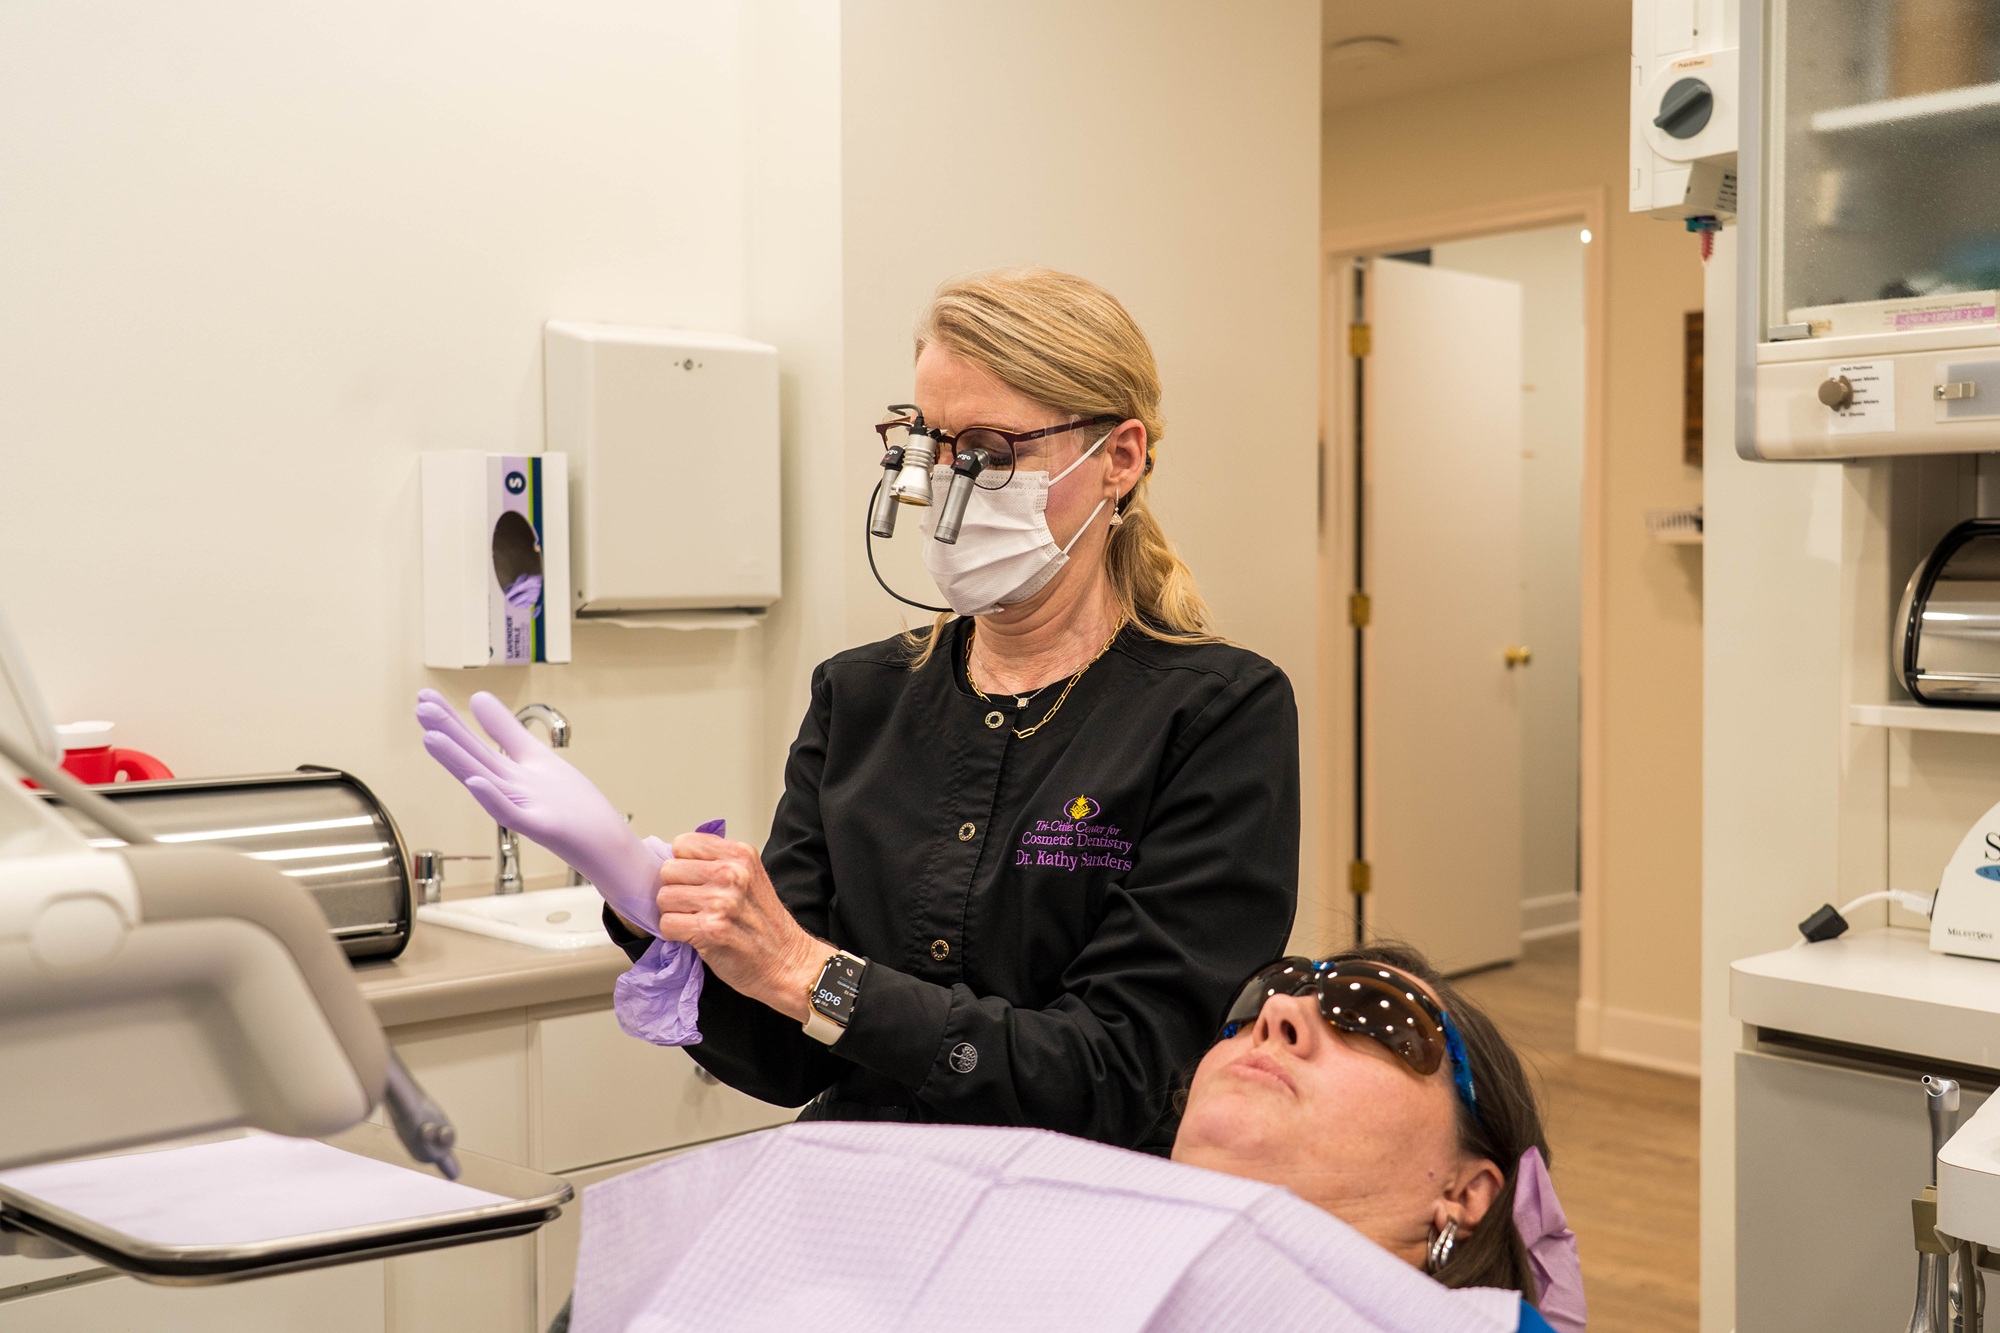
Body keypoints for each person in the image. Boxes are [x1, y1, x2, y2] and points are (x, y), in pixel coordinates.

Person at [418, 268, 1300, 1152]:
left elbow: (1118, 1071)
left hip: (1074, 1203)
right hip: (860, 1183)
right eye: (929, 443)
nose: (948, 481)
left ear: (1119, 457)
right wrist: (644, 898)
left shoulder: (1216, 715)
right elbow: (783, 1059)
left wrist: (807, 968)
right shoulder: (861, 698)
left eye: (989, 450)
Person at [566, 943, 1583, 1333]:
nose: (1279, 1016)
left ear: (1467, 1190)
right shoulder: (1036, 1227)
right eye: (1267, 993)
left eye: (1377, 1019)